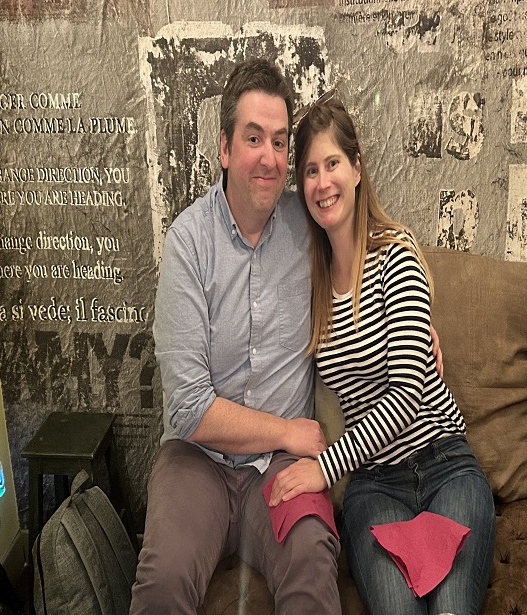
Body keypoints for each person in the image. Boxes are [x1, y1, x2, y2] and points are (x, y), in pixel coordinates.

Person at [269, 94, 496, 615]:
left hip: (445, 467)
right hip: (374, 488)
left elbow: (409, 392)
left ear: (357, 169)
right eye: (309, 171)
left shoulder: (396, 255)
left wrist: (324, 468)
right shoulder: (310, 281)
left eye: (332, 164)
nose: (322, 182)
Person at [129, 59, 342, 614]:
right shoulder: (188, 243)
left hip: (279, 469)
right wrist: (288, 431)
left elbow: (370, 236)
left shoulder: (309, 224)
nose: (269, 157)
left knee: (314, 561)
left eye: (279, 141)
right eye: (253, 138)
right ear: (224, 148)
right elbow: (189, 409)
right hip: (197, 461)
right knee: (163, 580)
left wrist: (420, 312)